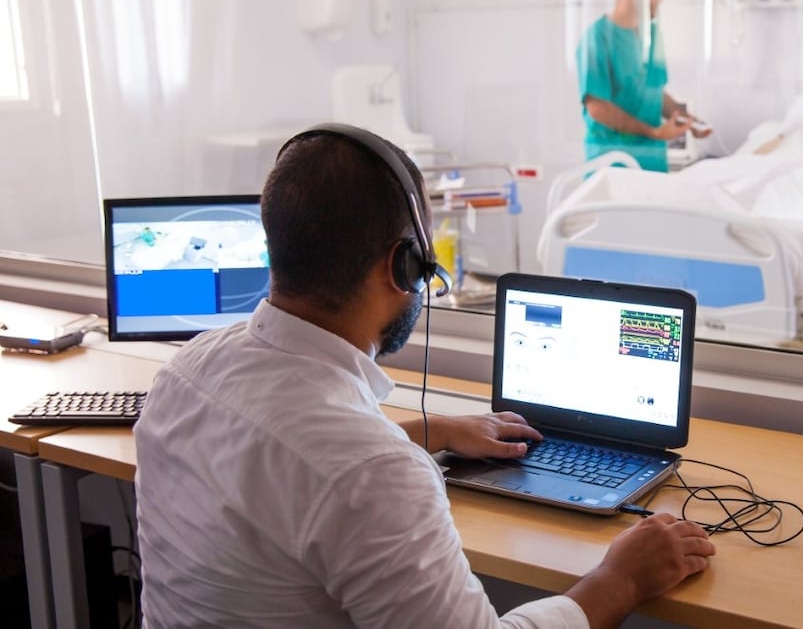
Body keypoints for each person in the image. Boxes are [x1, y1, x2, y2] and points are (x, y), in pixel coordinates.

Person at [134, 126, 715, 628]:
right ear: (403, 266)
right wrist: (620, 579)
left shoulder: (184, 374)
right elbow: (340, 472)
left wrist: (428, 429)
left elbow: (289, 463)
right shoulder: (374, 476)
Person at [576, 0, 712, 172]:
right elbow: (597, 108)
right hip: (612, 164)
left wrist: (688, 121)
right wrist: (654, 132)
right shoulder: (597, 38)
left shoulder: (652, 35)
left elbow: (655, 91)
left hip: (651, 164)